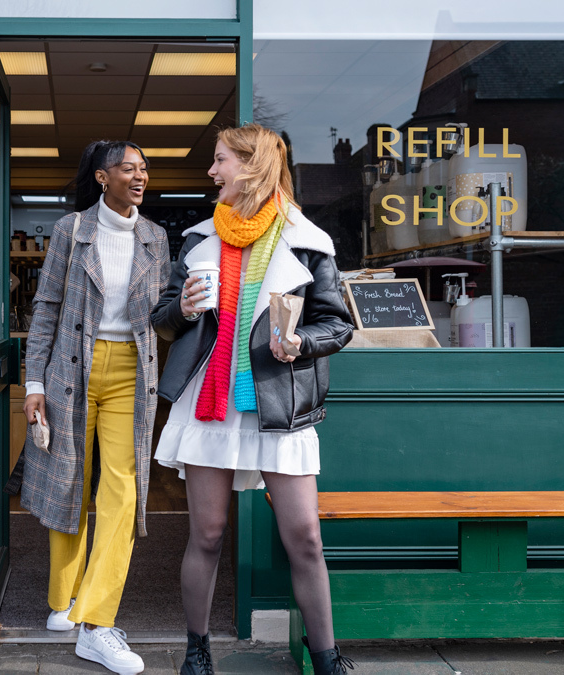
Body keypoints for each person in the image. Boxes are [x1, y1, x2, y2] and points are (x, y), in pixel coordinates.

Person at [152, 124, 356, 675]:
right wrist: (186, 310)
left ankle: (327, 657)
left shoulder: (309, 242)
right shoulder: (198, 240)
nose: (212, 172)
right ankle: (197, 652)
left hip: (279, 403)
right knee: (208, 534)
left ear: (253, 165)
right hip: (210, 403)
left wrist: (299, 342)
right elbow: (163, 319)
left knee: (306, 539)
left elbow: (336, 325)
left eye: (220, 161)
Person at [19, 140, 169, 675]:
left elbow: (165, 313)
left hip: (131, 368)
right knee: (68, 478)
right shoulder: (71, 230)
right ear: (103, 177)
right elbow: (46, 308)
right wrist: (33, 380)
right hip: (70, 369)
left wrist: (188, 309)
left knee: (122, 488)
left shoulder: (155, 237)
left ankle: (98, 621)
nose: (140, 176)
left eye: (145, 169)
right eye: (128, 168)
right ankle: (64, 599)